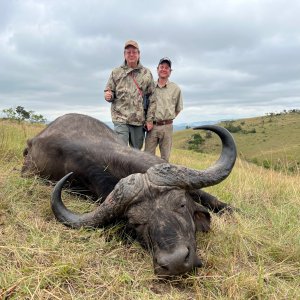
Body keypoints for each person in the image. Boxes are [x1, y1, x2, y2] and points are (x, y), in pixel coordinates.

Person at [104, 40, 156, 149]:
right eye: (128, 52)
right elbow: (109, 91)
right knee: (120, 150)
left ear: (139, 54)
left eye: (134, 52)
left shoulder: (146, 73)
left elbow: (152, 98)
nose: (131, 54)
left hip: (138, 120)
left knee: (136, 153)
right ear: (124, 54)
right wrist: (108, 95)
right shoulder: (116, 72)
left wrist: (150, 119)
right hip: (120, 118)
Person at [144, 57, 183, 161]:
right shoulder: (150, 86)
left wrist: (168, 119)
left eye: (167, 68)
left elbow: (178, 108)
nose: (164, 69)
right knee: (147, 157)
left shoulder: (176, 89)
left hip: (167, 127)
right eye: (161, 67)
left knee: (165, 159)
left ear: (170, 72)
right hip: (152, 127)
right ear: (157, 69)